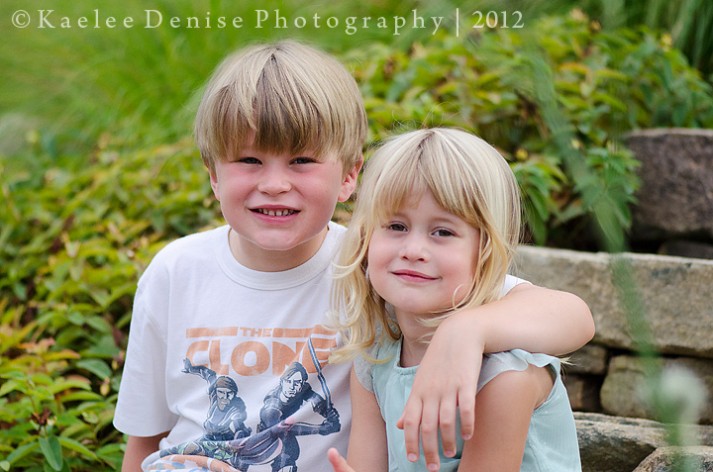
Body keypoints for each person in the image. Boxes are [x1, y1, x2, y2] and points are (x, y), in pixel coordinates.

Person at [113, 41, 593, 471]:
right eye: (249, 160)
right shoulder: (176, 271)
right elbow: (145, 439)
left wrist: (465, 330)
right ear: (213, 174)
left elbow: (573, 316)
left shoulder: (373, 262)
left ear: (349, 176)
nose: (274, 183)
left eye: (301, 160)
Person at [327, 128, 582, 471]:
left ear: (485, 248)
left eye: (443, 232)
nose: (413, 250)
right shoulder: (376, 356)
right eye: (396, 226)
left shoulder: (504, 376)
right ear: (365, 237)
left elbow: (579, 316)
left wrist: (462, 330)